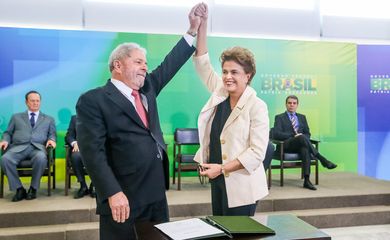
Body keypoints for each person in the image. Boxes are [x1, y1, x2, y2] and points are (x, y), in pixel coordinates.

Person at [75, 3, 206, 239]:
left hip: (155, 192)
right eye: (138, 62)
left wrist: (192, 29)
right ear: (117, 65)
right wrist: (112, 193)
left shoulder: (147, 88)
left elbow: (170, 64)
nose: (145, 67)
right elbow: (92, 153)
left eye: (145, 62)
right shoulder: (93, 100)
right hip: (122, 196)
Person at [193, 5, 270, 216]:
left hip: (242, 185)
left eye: (234, 72)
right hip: (218, 180)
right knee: (221, 229)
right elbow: (202, 63)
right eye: (225, 71)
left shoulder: (257, 106)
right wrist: (202, 24)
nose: (228, 76)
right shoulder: (220, 92)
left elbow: (256, 153)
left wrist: (223, 168)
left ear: (248, 75)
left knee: (239, 234)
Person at [0, 90, 56, 201]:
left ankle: (33, 188)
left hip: (37, 148)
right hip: (18, 148)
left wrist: (52, 140)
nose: (35, 103)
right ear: (26, 102)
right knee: (5, 159)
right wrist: (5, 140)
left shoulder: (49, 119)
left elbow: (52, 134)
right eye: (32, 101)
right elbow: (7, 133)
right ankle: (19, 189)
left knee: (41, 158)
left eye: (37, 101)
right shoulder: (16, 117)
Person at [272, 95, 337, 190]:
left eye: (294, 103)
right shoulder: (279, 117)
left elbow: (307, 133)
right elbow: (276, 134)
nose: (292, 105)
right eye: (289, 103)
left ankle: (307, 180)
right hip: (286, 145)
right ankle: (322, 159)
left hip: (300, 144)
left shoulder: (302, 117)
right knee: (301, 137)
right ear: (286, 104)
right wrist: (294, 135)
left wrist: (301, 137)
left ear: (297, 105)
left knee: (305, 148)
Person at [65, 115, 96, 199]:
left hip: (96, 148)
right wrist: (74, 143)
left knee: (98, 157)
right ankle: (83, 186)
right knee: (75, 157)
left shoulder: (99, 117)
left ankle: (94, 185)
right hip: (80, 148)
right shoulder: (75, 118)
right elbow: (69, 136)